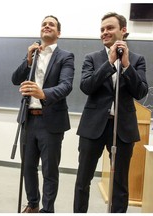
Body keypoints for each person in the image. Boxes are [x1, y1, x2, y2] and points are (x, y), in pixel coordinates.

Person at [73, 12, 148, 213]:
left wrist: (125, 65)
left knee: (120, 184)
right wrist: (109, 63)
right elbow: (86, 87)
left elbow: (140, 91)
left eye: (110, 28)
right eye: (102, 29)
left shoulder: (137, 59)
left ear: (123, 30)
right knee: (83, 180)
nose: (104, 32)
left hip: (123, 129)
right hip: (93, 127)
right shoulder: (92, 58)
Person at [12, 15, 75, 213]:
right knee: (28, 168)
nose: (46, 26)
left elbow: (66, 86)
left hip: (51, 122)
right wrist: (28, 59)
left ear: (58, 32)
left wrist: (43, 93)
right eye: (44, 24)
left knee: (49, 170)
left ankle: (47, 210)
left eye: (51, 24)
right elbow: (15, 79)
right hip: (28, 120)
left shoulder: (65, 56)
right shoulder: (33, 54)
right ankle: (32, 204)